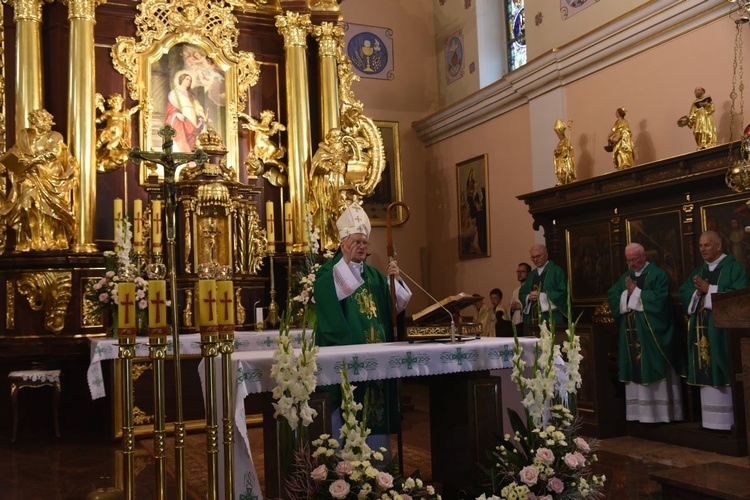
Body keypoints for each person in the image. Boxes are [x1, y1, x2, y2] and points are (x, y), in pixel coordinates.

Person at [314, 201, 412, 449]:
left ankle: (379, 469)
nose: (361, 246)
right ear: (343, 243)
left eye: (364, 242)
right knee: (348, 420)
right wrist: (345, 263)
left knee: (375, 419)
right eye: (356, 241)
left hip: (376, 364)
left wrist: (395, 281)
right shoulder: (328, 273)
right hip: (348, 363)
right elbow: (330, 299)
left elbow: (395, 308)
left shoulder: (374, 275)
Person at [607, 243, 684, 423]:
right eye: (629, 260)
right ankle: (638, 414)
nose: (632, 264)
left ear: (643, 257)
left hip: (652, 335)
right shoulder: (626, 276)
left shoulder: (657, 274)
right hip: (631, 332)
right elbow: (613, 295)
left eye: (634, 259)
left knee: (652, 366)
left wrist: (636, 293)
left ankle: (660, 415)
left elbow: (660, 301)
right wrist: (626, 295)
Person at [678, 231, 747, 430]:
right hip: (702, 331)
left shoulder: (734, 268)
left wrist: (710, 290)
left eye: (707, 245)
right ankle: (710, 422)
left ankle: (730, 423)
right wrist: (696, 293)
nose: (703, 249)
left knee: (723, 370)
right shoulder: (699, 270)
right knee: (705, 371)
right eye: (700, 245)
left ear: (719, 246)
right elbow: (684, 291)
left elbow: (740, 297)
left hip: (723, 333)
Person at [0, 109, 77, 252]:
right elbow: (14, 152)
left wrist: (32, 160)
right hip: (29, 176)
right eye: (45, 120)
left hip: (50, 177)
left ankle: (51, 239)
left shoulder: (55, 136)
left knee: (52, 210)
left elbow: (53, 153)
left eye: (49, 121)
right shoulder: (26, 137)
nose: (49, 124)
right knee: (26, 204)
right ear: (35, 122)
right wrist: (8, 162)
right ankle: (31, 241)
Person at [519, 244, 568, 328]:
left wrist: (542, 296)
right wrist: (528, 297)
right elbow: (522, 293)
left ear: (546, 255)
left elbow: (563, 292)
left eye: (538, 256)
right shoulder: (531, 275)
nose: (535, 260)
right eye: (533, 257)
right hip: (532, 318)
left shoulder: (556, 271)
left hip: (551, 316)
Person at [95, 93, 140, 172]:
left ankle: (101, 160)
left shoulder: (122, 114)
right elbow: (99, 120)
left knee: (109, 147)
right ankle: (96, 158)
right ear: (111, 103)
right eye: (117, 103)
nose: (119, 105)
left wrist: (139, 107)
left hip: (116, 137)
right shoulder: (109, 113)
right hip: (107, 133)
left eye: (120, 103)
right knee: (96, 146)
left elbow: (131, 111)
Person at [165, 71, 206, 153]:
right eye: (187, 79)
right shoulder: (174, 93)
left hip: (192, 117)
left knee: (192, 137)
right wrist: (177, 114)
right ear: (181, 80)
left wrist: (202, 114)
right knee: (183, 137)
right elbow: (171, 108)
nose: (189, 82)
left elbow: (197, 106)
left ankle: (191, 157)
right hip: (182, 118)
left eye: (190, 80)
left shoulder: (191, 95)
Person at [509, 262, 531, 336]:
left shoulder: (531, 288)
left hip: (526, 324)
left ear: (529, 273)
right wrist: (512, 308)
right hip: (516, 323)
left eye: (522, 271)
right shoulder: (516, 291)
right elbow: (510, 308)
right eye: (518, 271)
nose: (519, 274)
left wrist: (521, 306)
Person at [553, 119, 576, 186]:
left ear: (562, 134)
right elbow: (557, 152)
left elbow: (570, 150)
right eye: (558, 135)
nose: (559, 136)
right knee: (560, 171)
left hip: (565, 161)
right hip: (560, 161)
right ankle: (561, 181)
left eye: (559, 135)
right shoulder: (559, 143)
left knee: (565, 172)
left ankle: (567, 179)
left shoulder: (566, 141)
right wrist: (556, 152)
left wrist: (567, 149)